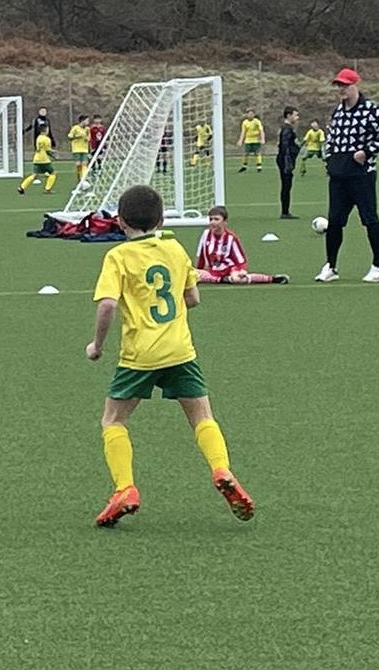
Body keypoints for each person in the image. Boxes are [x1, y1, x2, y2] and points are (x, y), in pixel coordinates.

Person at [85, 184, 254, 528]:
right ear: (161, 219)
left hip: (139, 356)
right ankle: (221, 469)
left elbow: (107, 305)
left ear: (120, 222)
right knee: (202, 416)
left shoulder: (118, 257)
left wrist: (97, 345)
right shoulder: (175, 249)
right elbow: (192, 299)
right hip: (180, 350)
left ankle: (125, 489)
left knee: (113, 421)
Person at [315, 68, 379, 284]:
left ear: (355, 85)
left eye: (345, 85)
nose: (341, 89)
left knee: (369, 219)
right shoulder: (337, 112)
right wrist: (329, 161)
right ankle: (331, 266)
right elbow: (330, 139)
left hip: (361, 175)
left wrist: (367, 152)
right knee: (335, 222)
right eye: (338, 85)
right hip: (339, 176)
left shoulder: (370, 110)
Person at [195, 206, 288, 285]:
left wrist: (242, 271)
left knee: (237, 279)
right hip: (213, 270)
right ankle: (222, 280)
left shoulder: (231, 238)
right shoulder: (206, 234)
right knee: (191, 274)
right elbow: (201, 256)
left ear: (224, 222)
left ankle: (271, 279)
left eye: (216, 219)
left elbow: (240, 260)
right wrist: (198, 271)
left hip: (230, 269)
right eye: (211, 219)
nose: (212, 222)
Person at [17, 124, 59, 195]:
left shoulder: (38, 138)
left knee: (34, 175)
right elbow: (47, 150)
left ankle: (22, 187)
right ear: (46, 130)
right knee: (53, 173)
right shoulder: (47, 139)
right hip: (44, 160)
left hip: (37, 159)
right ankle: (47, 189)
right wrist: (54, 154)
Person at [276, 106, 300, 218]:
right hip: (285, 161)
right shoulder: (287, 129)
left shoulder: (286, 128)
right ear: (289, 115)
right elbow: (284, 147)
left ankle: (285, 211)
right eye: (295, 115)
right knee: (286, 186)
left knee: (287, 186)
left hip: (285, 160)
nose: (297, 117)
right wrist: (287, 162)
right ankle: (285, 212)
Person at [67, 114, 91, 182]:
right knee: (78, 164)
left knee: (84, 163)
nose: (88, 122)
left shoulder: (87, 129)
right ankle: (79, 177)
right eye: (87, 120)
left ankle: (84, 178)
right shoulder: (75, 128)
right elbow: (70, 137)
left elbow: (89, 137)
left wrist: (87, 139)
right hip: (76, 149)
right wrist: (77, 137)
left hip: (85, 149)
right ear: (82, 121)